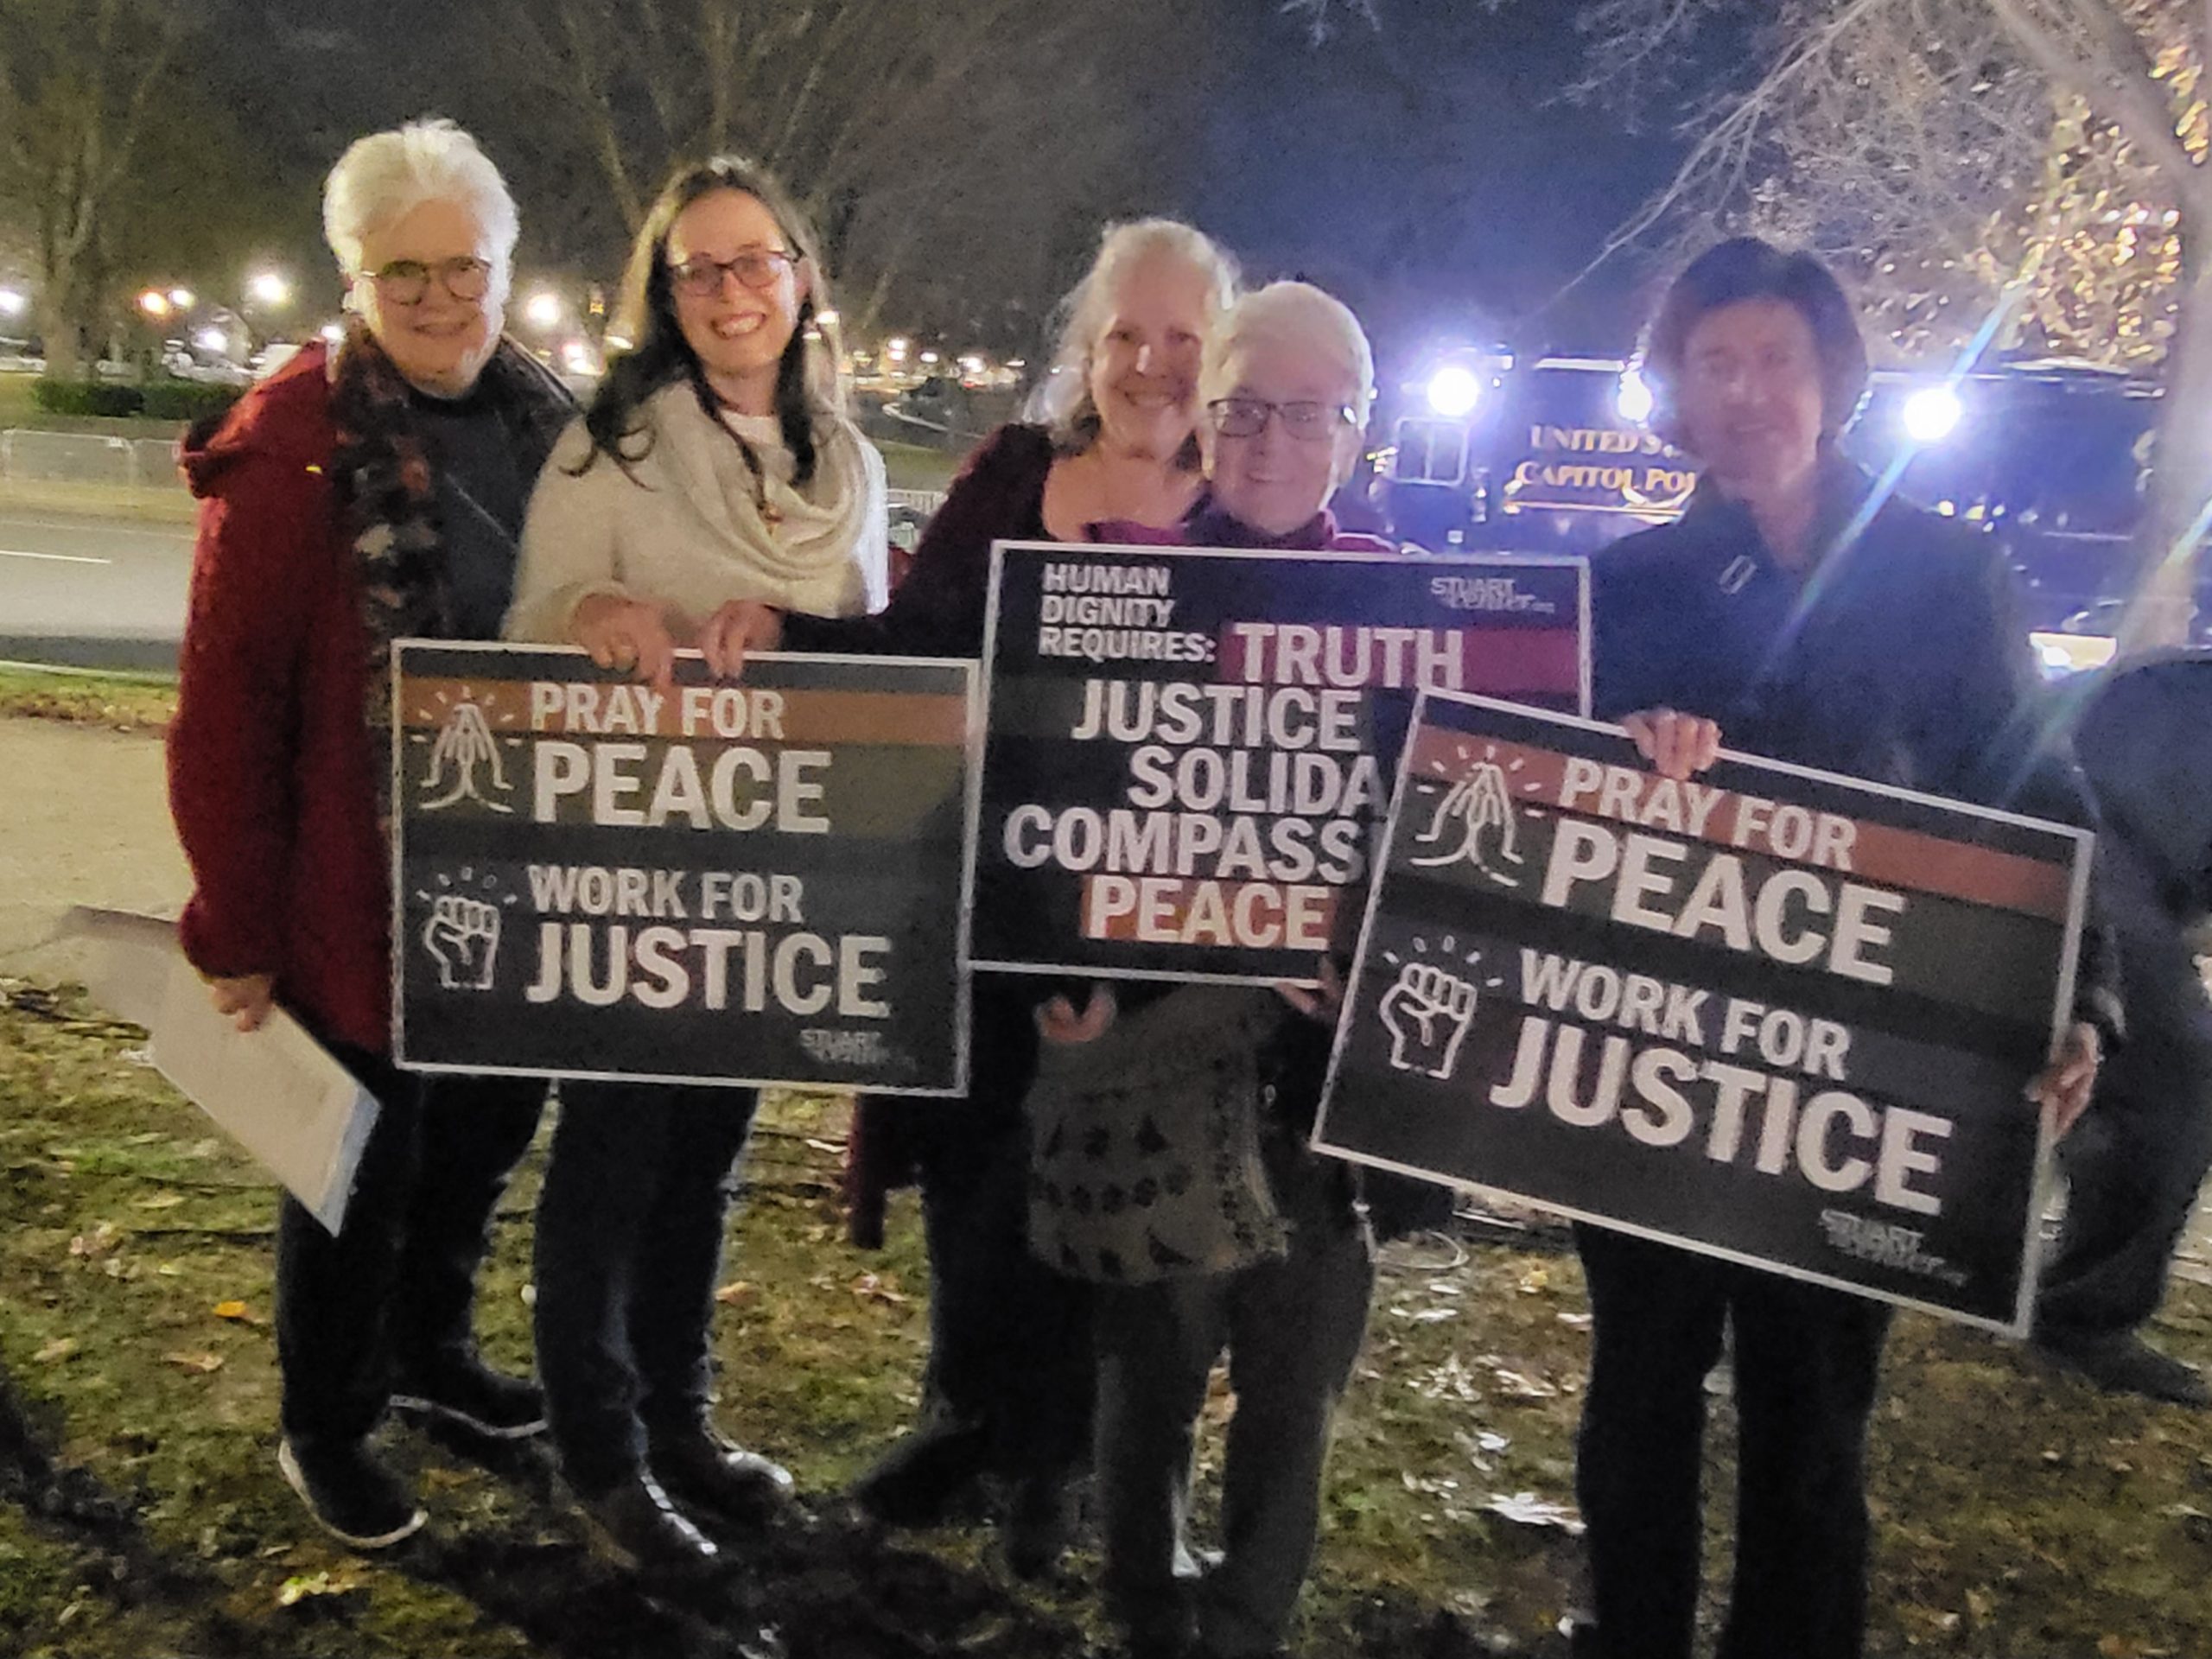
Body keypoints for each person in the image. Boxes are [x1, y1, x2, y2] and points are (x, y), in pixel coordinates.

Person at [1574, 236, 2112, 1659]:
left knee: (1811, 1424)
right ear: (1678, 386)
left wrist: (2081, 1001)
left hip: (1855, 1090)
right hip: (1656, 1075)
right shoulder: (1628, 581)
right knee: (1637, 1393)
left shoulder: (1946, 571)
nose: (1747, 391)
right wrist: (1624, 752)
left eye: (1777, 361)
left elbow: (2039, 803)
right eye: (1716, 362)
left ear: (1834, 380)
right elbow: (1555, 804)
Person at [763, 219, 1239, 1572]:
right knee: (979, 1181)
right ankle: (969, 1417)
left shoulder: (1245, 517)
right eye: (1127, 335)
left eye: (1183, 340)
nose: (1152, 364)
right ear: (1088, 351)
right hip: (983, 904)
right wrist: (781, 633)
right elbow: (912, 641)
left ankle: (1063, 1460)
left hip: (1155, 926)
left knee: (1103, 1185)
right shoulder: (1015, 472)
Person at [167, 119, 570, 1549]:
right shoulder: (294, 448)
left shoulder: (554, 427)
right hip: (361, 888)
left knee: (476, 1137)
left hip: (519, 875)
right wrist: (239, 928)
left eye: (466, 268)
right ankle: (326, 1419)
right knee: (354, 1167)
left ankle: (432, 1355)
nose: (442, 301)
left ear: (505, 267)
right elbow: (227, 707)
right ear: (354, 278)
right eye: (405, 274)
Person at [504, 156, 888, 1576]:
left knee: (707, 1157)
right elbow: (530, 612)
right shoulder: (615, 438)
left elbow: (870, 661)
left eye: (755, 261)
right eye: (699, 270)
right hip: (626, 868)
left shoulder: (843, 465)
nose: (731, 292)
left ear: (802, 276)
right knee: (609, 1162)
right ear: (667, 295)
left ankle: (679, 1423)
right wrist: (599, 602)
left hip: (771, 879)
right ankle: (598, 1453)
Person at [1035, 280, 1389, 1659]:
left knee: (1295, 1380)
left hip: (1318, 1086)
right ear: (1203, 414)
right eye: (1243, 408)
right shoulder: (1103, 584)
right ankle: (1138, 1604)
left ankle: (1247, 1620)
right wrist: (1054, 986)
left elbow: (1468, 835)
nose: (1269, 441)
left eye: (1307, 414)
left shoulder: (1415, 618)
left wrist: (1373, 956)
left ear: (1355, 432)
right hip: (1149, 1053)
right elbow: (1037, 815)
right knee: (1155, 1360)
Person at [2033, 654, 2212, 1404]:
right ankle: (2084, 1314)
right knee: (2176, 1076)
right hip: (2076, 827)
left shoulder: (2170, 682)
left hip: (2076, 817)